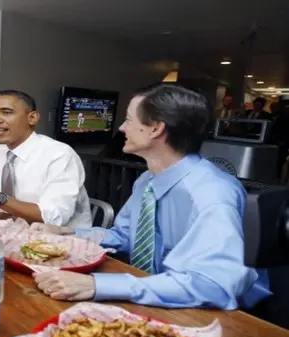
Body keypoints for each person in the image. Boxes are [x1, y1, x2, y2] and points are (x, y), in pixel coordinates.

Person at [33, 84, 271, 310]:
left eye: (128, 119)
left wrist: (98, 285)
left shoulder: (212, 194)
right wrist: (70, 234)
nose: (122, 128)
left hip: (216, 314)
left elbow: (213, 286)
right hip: (154, 297)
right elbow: (124, 236)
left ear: (156, 128)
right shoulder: (147, 181)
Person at [0, 90, 92, 228]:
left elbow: (51, 217)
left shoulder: (59, 155)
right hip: (10, 229)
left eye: (7, 112)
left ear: (32, 118)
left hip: (58, 239)